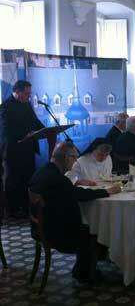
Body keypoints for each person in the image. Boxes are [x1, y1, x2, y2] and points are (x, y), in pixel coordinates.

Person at [29, 142, 121, 282]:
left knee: (88, 226)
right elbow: (79, 195)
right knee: (96, 229)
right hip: (56, 233)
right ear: (66, 158)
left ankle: (83, 268)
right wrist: (107, 191)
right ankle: (85, 274)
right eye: (74, 158)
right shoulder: (58, 179)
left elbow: (71, 192)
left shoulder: (42, 171)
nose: (75, 161)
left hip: (39, 228)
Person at [0, 80, 44, 217]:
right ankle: (13, 210)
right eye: (26, 93)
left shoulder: (26, 105)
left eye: (30, 93)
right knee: (13, 180)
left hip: (28, 149)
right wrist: (25, 134)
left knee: (28, 178)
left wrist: (45, 129)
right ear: (17, 92)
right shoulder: (5, 107)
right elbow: (6, 130)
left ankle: (26, 208)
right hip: (13, 150)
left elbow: (35, 121)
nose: (29, 96)